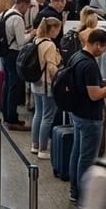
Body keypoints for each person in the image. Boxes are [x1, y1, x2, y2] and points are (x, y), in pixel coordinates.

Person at [68, 29, 106, 203]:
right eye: (104, 47)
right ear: (97, 44)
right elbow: (95, 95)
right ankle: (84, 197)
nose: (104, 51)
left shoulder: (77, 57)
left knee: (77, 153)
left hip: (77, 111)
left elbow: (85, 84)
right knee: (88, 158)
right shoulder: (89, 64)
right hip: (90, 116)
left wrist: (102, 81)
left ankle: (74, 191)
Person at [29, 17, 62, 160]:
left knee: (38, 113)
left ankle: (34, 144)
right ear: (52, 29)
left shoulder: (37, 40)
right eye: (58, 28)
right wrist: (60, 77)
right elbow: (51, 66)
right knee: (48, 117)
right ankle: (43, 148)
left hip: (36, 82)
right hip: (47, 84)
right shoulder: (50, 45)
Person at [0, 0, 33, 131]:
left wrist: (24, 32)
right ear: (22, 4)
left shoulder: (5, 13)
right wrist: (32, 34)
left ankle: (6, 114)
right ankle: (12, 119)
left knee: (6, 83)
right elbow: (20, 42)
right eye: (27, 7)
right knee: (14, 86)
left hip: (4, 52)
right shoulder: (18, 18)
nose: (27, 10)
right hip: (13, 54)